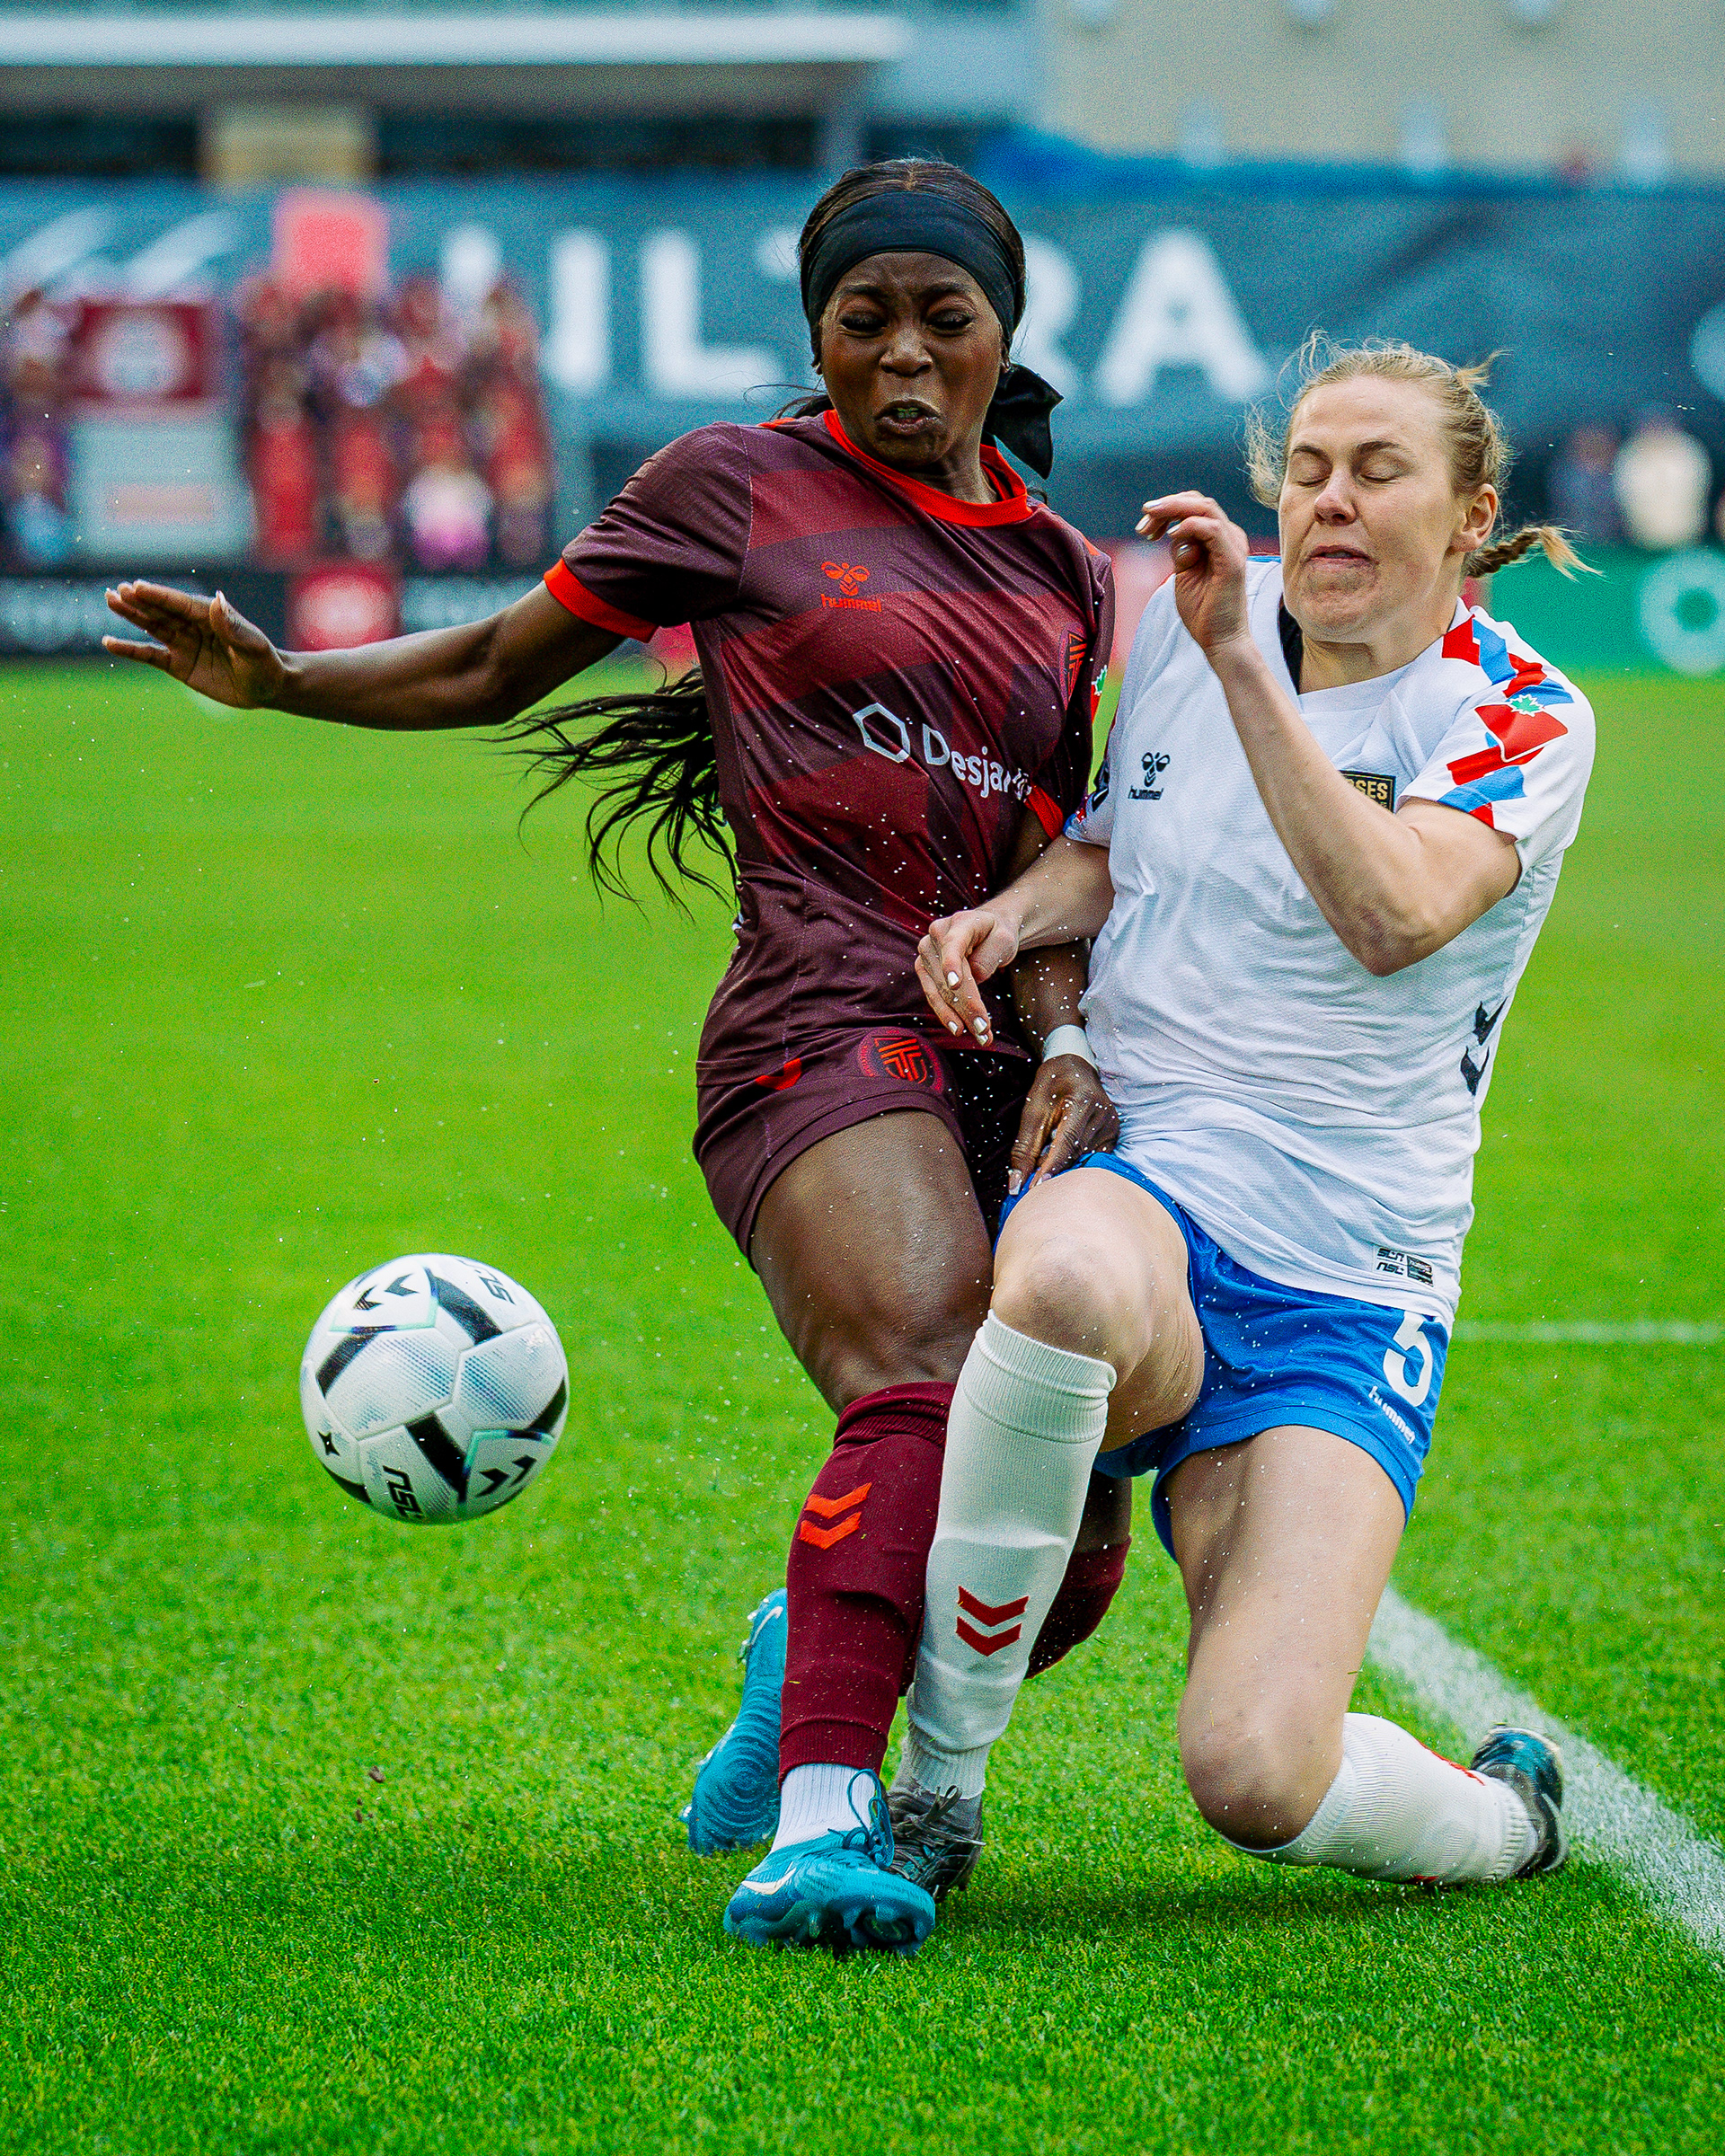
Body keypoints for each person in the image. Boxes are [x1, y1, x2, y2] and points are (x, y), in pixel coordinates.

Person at [102, 158, 1127, 1957]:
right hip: (814, 1031)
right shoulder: (735, 490)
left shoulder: (1060, 576)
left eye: (938, 320)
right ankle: (824, 1826)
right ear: (816, 332)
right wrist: (284, 684)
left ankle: (805, 1650)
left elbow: (1048, 864)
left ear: (1002, 335)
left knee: (1072, 1525)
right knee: (926, 1351)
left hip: (985, 1061)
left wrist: (1067, 1043)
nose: (899, 355)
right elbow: (501, 664)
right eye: (860, 317)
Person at [906, 341, 1594, 1910]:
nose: (1330, 503)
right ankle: (935, 1793)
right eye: (1308, 470)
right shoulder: (1185, 630)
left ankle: (1508, 1824)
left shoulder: (1519, 713)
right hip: (1157, 1180)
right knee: (1067, 1276)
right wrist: (1014, 920)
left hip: (1354, 1274)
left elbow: (1394, 911)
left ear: (1472, 514)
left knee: (1256, 1773)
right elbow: (1116, 853)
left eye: (1378, 472)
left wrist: (1242, 667)